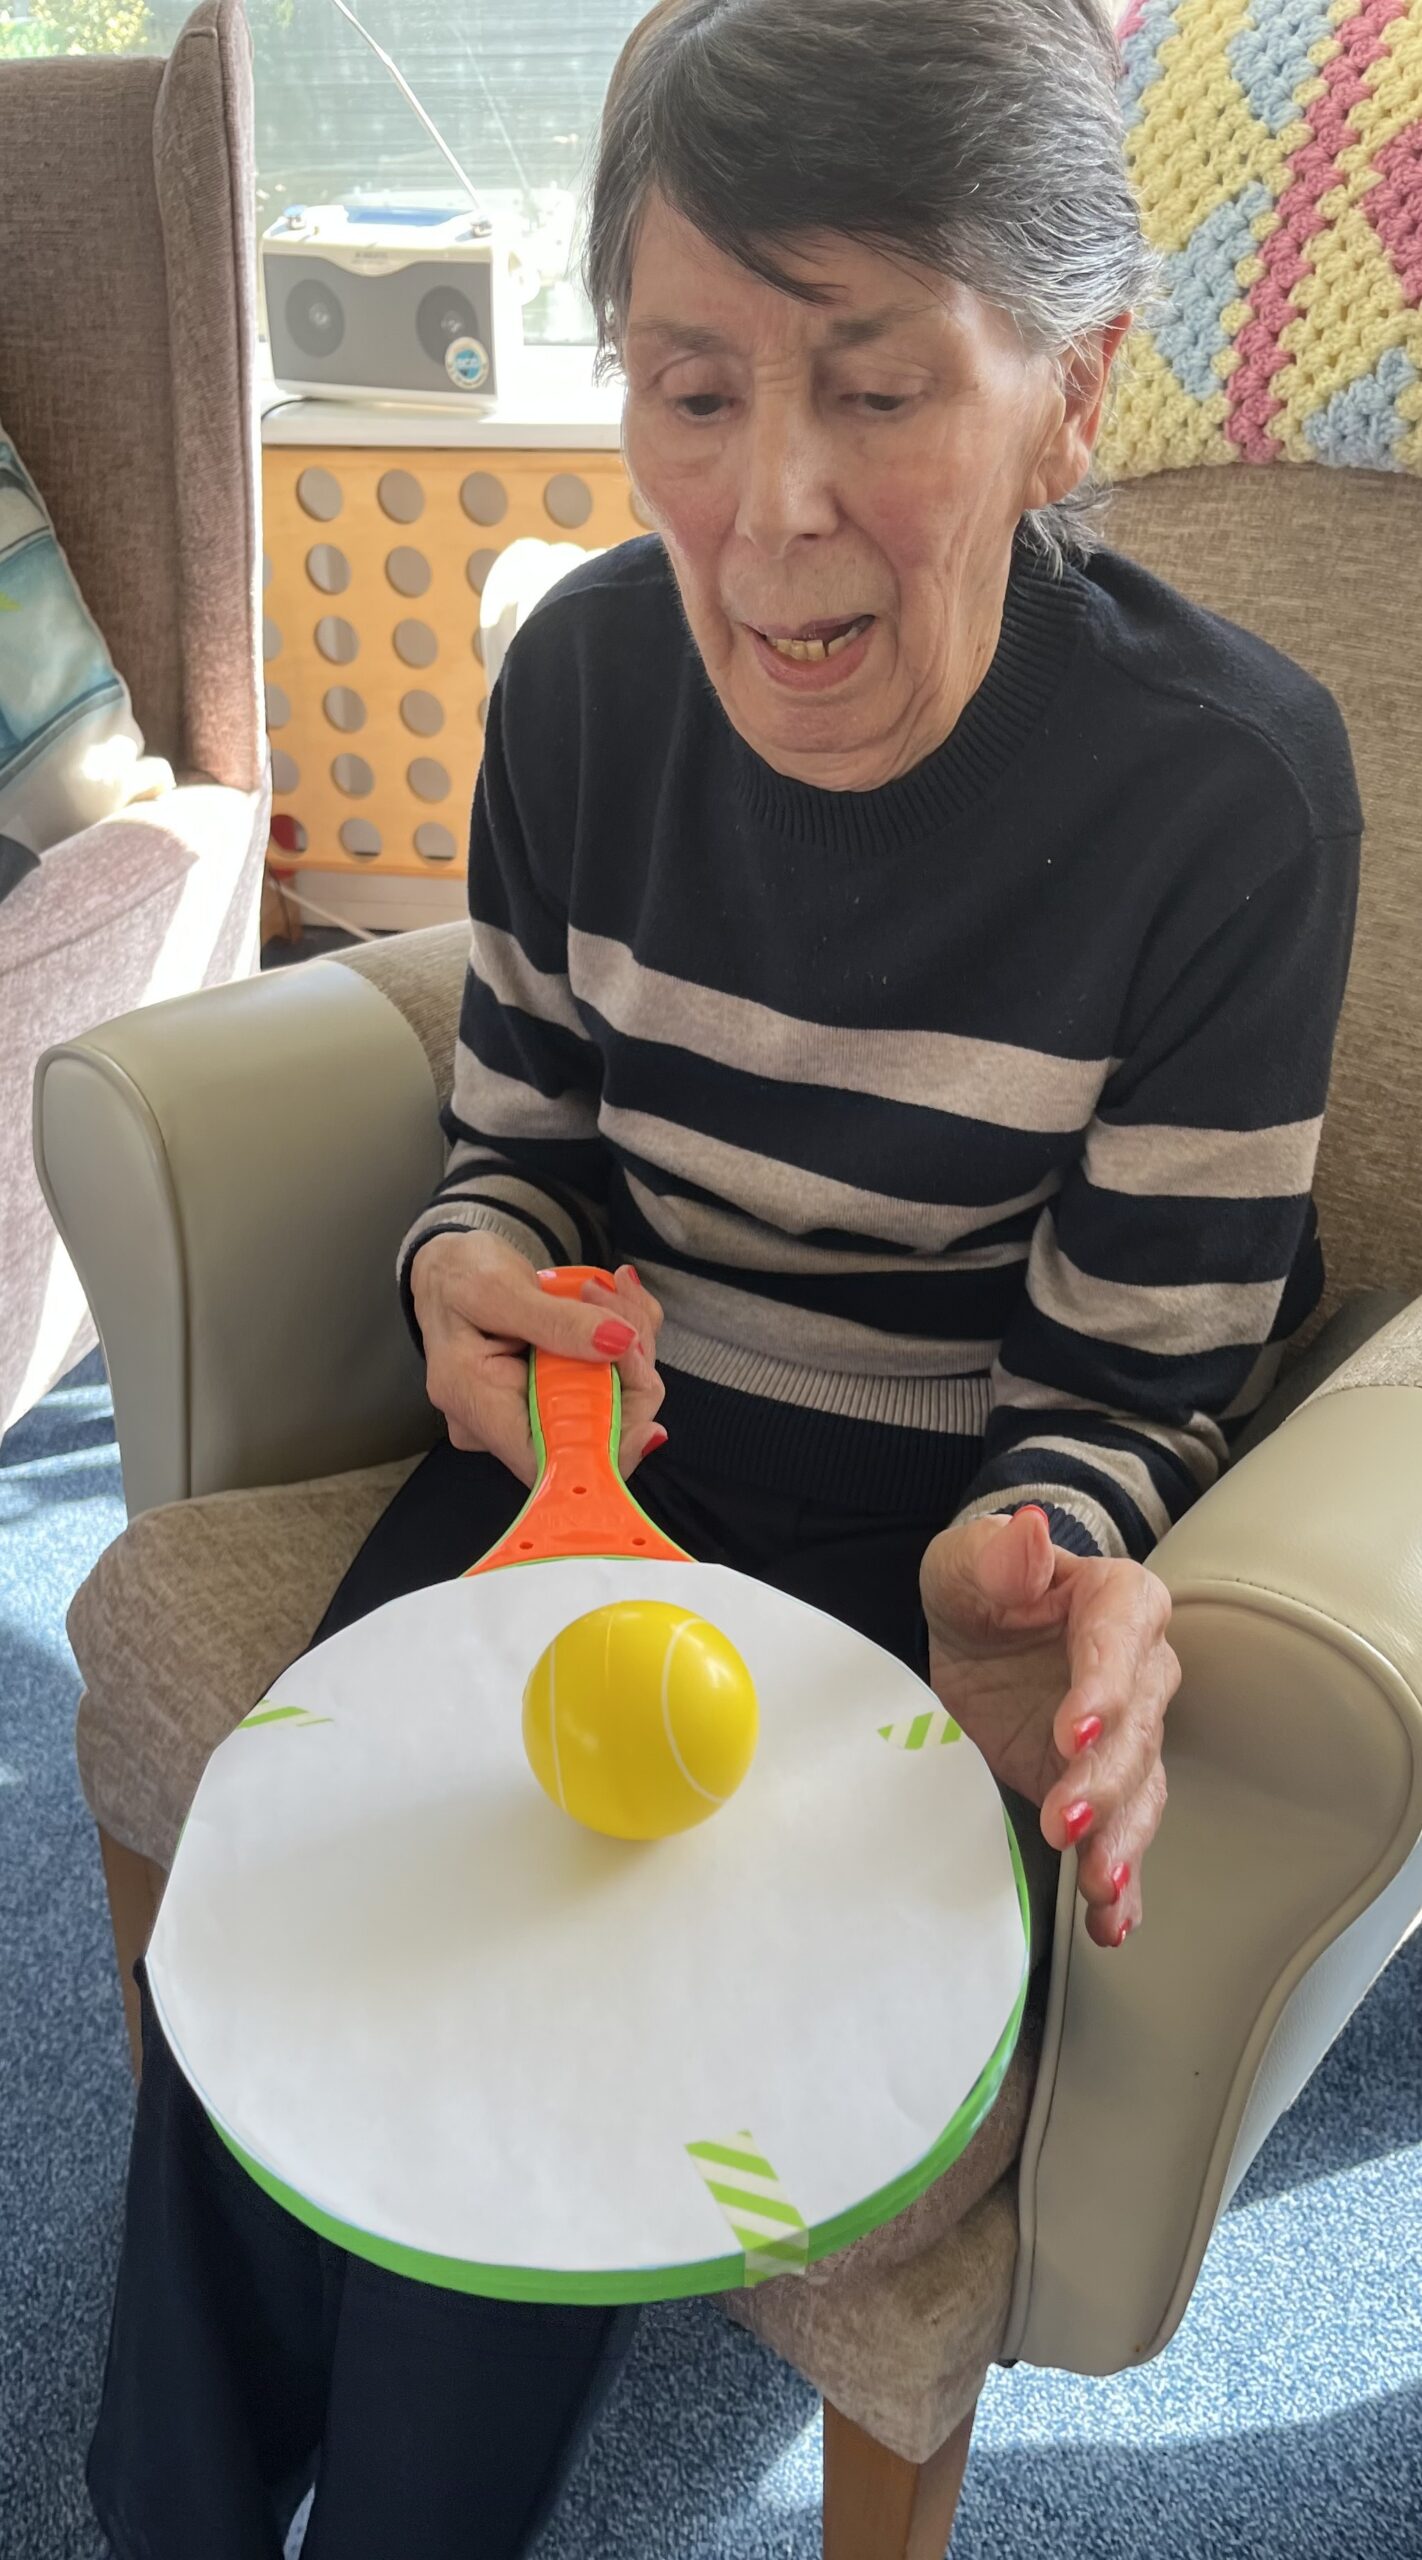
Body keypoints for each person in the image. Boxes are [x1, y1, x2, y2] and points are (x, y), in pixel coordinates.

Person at [85, 0, 1363, 2551]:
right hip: (611, 1442)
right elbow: (522, 1143)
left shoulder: (1232, 790)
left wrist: (1037, 1552)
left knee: (539, 2062)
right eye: (690, 389)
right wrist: (474, 1279)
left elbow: (1135, 1381)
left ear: (1070, 393)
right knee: (306, 1911)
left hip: (929, 1532)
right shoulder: (581, 677)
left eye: (877, 391)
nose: (770, 510)